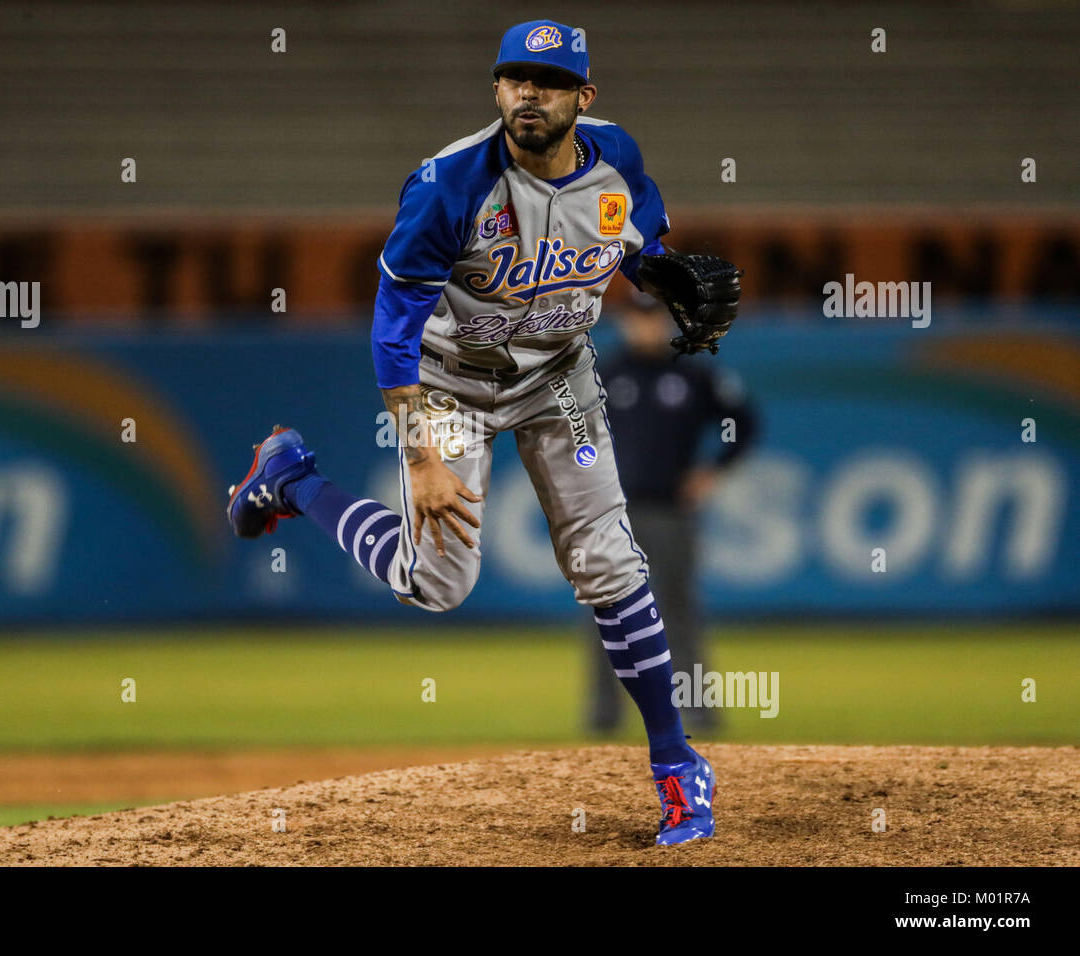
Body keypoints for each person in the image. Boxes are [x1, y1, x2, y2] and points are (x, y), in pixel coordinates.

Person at [226, 20, 731, 845]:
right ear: (497, 89)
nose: (527, 93)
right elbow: (393, 328)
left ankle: (678, 769)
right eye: (512, 78)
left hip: (559, 377)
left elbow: (639, 245)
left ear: (583, 97)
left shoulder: (619, 159)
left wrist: (660, 276)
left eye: (547, 79)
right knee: (439, 585)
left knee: (608, 558)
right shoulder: (450, 185)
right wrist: (421, 454)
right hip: (450, 385)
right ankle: (291, 476)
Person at [585, 291, 759, 736]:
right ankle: (605, 717)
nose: (645, 326)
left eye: (652, 317)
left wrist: (712, 472)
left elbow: (743, 422)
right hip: (613, 516)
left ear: (664, 321)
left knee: (679, 610)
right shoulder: (604, 374)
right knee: (607, 613)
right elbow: (569, 434)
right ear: (625, 322)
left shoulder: (693, 373)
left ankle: (699, 711)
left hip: (671, 511)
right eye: (637, 317)